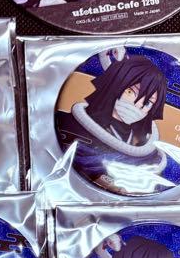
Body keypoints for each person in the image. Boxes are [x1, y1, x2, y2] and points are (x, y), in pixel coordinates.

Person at [57, 52, 170, 195]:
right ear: (115, 86)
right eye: (130, 92)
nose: (137, 105)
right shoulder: (71, 124)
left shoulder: (144, 145)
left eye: (148, 103)